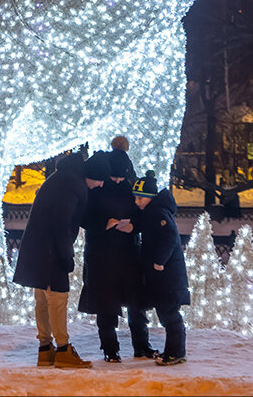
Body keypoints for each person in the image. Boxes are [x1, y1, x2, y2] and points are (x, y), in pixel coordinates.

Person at [12, 152, 102, 368]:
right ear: (92, 175)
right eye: (100, 180)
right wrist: (66, 256)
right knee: (57, 298)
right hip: (50, 252)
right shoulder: (71, 187)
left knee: (42, 298)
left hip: (37, 250)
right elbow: (61, 225)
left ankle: (45, 349)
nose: (99, 185)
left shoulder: (59, 179)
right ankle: (63, 349)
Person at [78, 149, 156, 362]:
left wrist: (133, 226)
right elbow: (83, 217)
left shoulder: (133, 186)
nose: (118, 180)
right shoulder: (96, 188)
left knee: (136, 303)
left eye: (122, 176)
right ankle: (110, 349)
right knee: (106, 304)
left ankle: (142, 345)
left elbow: (145, 214)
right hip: (101, 254)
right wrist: (105, 224)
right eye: (114, 176)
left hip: (129, 253)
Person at [133, 171, 189, 366]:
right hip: (165, 274)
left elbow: (170, 238)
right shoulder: (152, 212)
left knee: (170, 314)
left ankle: (175, 353)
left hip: (167, 275)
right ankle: (172, 351)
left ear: (149, 198)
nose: (137, 202)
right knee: (167, 313)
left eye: (140, 198)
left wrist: (159, 261)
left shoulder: (157, 213)